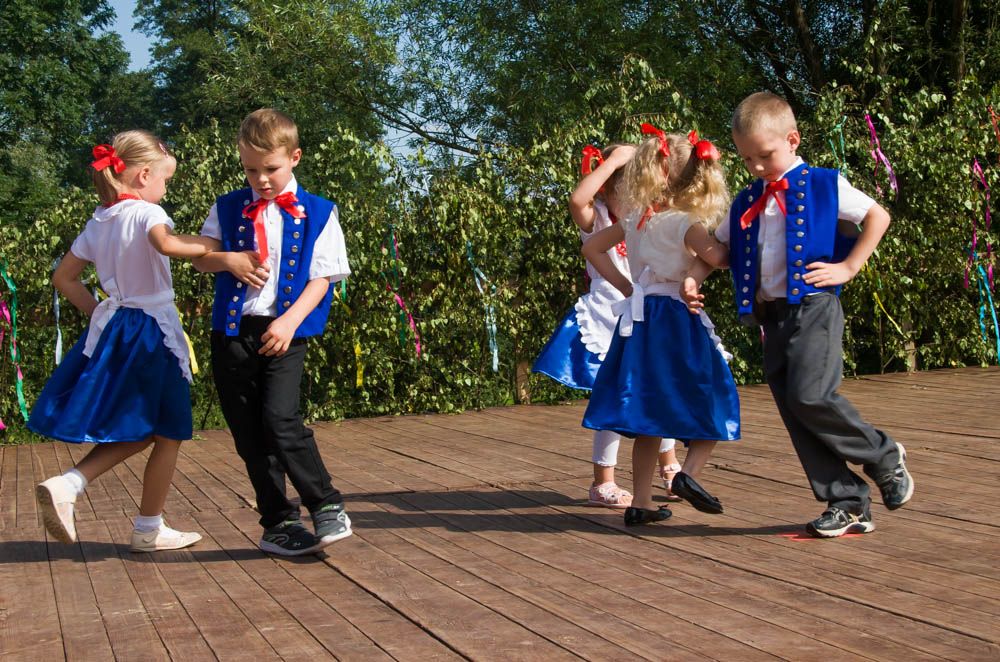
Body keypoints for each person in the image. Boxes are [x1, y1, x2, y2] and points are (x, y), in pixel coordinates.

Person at [704, 91, 913, 537]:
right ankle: (848, 502)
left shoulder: (823, 183)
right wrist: (689, 265)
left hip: (815, 306)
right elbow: (719, 249)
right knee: (795, 410)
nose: (756, 167)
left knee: (811, 395)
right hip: (771, 316)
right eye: (747, 159)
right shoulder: (746, 200)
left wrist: (849, 267)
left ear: (792, 140)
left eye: (765, 155)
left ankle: (882, 454)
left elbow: (878, 216)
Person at [32, 131, 215, 552]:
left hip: (120, 326)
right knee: (168, 429)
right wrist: (213, 245)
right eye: (166, 180)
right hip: (152, 331)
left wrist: (100, 313)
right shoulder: (146, 212)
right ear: (144, 175)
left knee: (158, 428)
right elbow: (166, 244)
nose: (166, 188)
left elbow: (64, 278)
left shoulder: (100, 220)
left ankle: (139, 520)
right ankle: (94, 497)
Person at [194, 108, 352, 556]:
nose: (260, 179)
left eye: (270, 169)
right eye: (250, 170)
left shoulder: (320, 211)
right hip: (232, 333)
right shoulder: (227, 206)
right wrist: (228, 259)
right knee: (249, 434)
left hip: (286, 330)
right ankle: (279, 523)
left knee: (281, 420)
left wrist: (288, 322)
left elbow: (323, 278)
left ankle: (326, 504)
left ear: (294, 157)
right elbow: (202, 258)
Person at [582, 125, 740, 526]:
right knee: (715, 393)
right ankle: (688, 474)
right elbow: (719, 258)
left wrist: (626, 286)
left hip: (640, 320)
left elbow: (592, 247)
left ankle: (641, 502)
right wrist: (731, 241)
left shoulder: (634, 218)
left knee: (648, 414)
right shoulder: (686, 222)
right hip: (675, 318)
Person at [534, 144, 681, 508]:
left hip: (648, 312)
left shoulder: (647, 216)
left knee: (658, 391)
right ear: (607, 189)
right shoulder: (597, 217)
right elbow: (576, 199)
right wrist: (613, 161)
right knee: (614, 398)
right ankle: (604, 482)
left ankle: (670, 468)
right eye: (626, 189)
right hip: (609, 313)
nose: (634, 197)